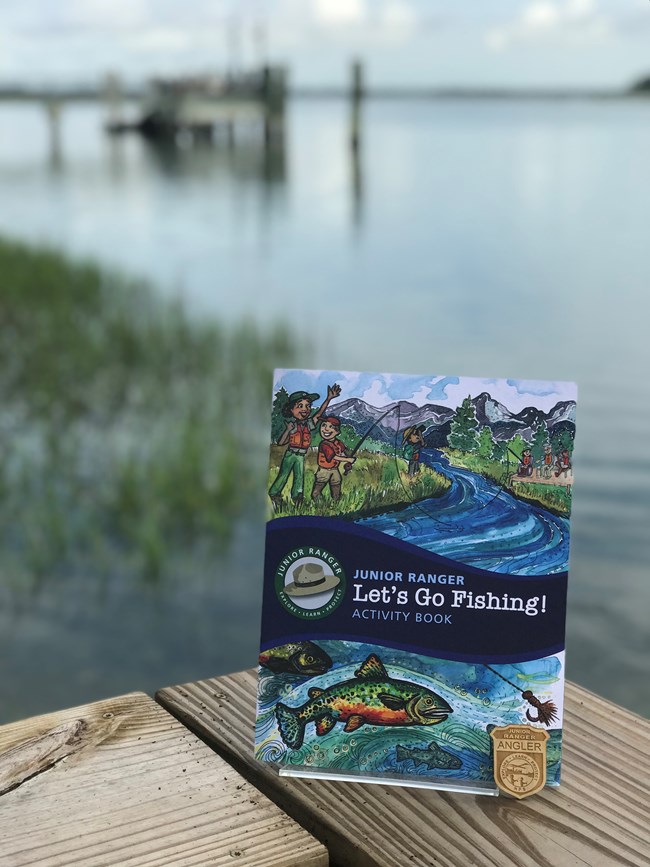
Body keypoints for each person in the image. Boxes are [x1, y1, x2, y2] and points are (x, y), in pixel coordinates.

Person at [269, 383, 340, 509]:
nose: (305, 409)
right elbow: (281, 442)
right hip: (290, 454)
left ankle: (297, 498)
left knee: (299, 478)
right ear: (291, 410)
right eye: (300, 406)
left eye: (308, 406)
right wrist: (287, 430)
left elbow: (319, 414)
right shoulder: (292, 426)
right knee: (283, 475)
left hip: (301, 456)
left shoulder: (308, 424)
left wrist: (328, 399)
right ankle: (275, 494)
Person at [311, 416, 355, 503]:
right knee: (317, 490)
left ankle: (336, 502)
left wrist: (351, 456)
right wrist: (348, 460)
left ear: (337, 431)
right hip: (324, 470)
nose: (326, 429)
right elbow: (332, 457)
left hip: (335, 469)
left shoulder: (338, 443)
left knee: (336, 486)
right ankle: (319, 503)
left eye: (331, 427)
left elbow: (345, 450)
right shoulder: (324, 444)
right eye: (323, 425)